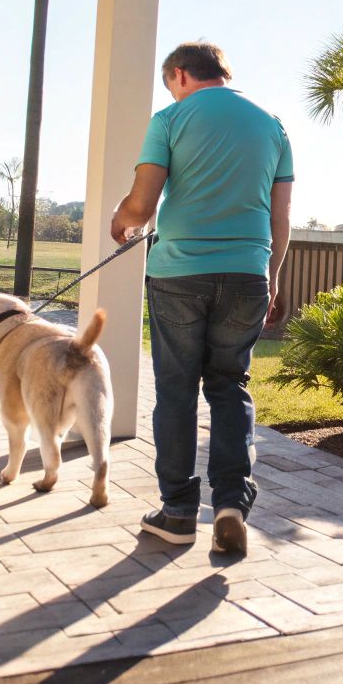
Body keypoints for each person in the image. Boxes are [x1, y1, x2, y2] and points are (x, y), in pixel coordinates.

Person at [110, 42, 293, 555]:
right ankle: (231, 502)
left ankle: (177, 511)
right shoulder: (274, 125)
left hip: (179, 275)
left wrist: (119, 222)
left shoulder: (170, 119)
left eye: (169, 82)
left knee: (176, 390)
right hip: (247, 274)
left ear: (180, 74)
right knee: (230, 385)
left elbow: (142, 204)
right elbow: (281, 218)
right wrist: (273, 276)